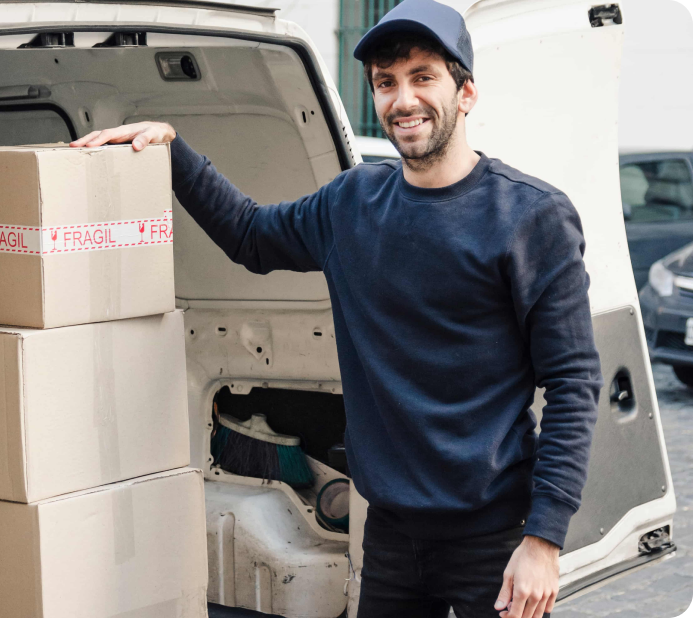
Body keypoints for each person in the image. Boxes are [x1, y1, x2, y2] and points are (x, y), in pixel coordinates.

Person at [71, 1, 603, 616]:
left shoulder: (531, 217)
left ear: (467, 92)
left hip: (496, 537)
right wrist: (172, 148)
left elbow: (572, 382)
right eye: (385, 82)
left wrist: (545, 538)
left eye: (423, 77)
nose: (403, 100)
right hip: (391, 537)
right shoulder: (352, 205)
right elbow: (249, 235)